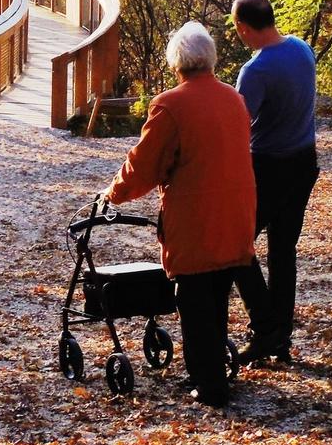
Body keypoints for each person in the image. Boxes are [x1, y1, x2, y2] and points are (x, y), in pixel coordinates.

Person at [103, 22, 256, 408]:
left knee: (193, 299)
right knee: (217, 296)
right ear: (210, 58)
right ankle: (213, 371)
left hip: (195, 217)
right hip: (235, 214)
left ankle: (209, 385)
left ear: (176, 62)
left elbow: (144, 163)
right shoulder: (233, 99)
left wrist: (114, 193)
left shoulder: (171, 105)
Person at [230, 0, 320, 365]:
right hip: (304, 162)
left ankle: (266, 326)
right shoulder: (301, 49)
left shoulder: (256, 71)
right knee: (283, 252)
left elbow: (234, 123)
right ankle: (279, 334)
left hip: (267, 167)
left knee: (235, 246)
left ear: (243, 28)